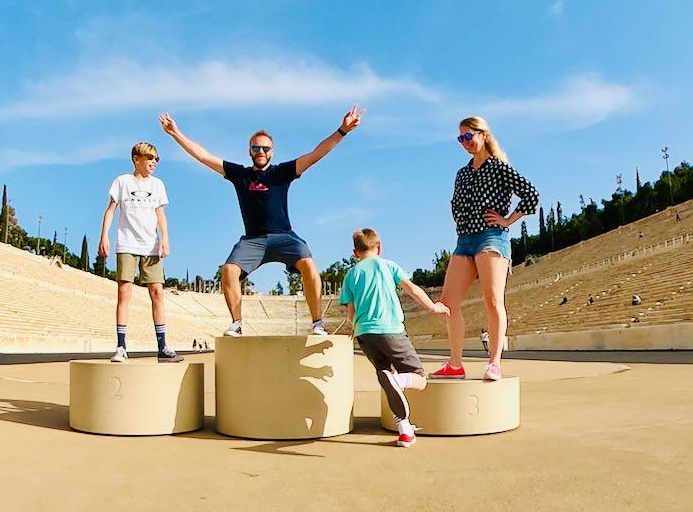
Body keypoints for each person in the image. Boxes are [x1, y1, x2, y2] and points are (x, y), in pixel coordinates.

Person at [159, 105, 365, 337]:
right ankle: (236, 323)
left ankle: (317, 323)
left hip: (284, 236)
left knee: (308, 264)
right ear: (249, 151)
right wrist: (175, 133)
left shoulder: (282, 172)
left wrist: (342, 130)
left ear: (271, 151)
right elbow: (204, 156)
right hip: (253, 240)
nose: (260, 151)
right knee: (229, 270)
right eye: (256, 147)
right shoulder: (240, 174)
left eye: (265, 148)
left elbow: (316, 154)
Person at [432, 116, 539, 381]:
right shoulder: (463, 173)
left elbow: (531, 195)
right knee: (448, 303)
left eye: (468, 136)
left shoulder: (499, 167)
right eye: (461, 138)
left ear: (483, 135)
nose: (465, 142)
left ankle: (494, 363)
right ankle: (455, 363)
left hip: (492, 236)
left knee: (492, 299)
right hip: (464, 240)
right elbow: (455, 205)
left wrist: (507, 220)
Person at [339, 228, 449, 448]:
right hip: (389, 330)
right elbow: (413, 290)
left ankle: (405, 432)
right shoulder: (388, 265)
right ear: (379, 248)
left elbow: (351, 311)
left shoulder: (351, 274)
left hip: (364, 335)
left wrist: (353, 329)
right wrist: (433, 307)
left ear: (355, 252)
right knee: (417, 377)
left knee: (387, 378)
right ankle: (400, 379)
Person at [97, 142, 183, 363]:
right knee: (124, 293)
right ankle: (121, 346)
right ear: (136, 159)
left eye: (156, 159)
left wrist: (165, 239)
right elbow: (110, 210)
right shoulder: (122, 182)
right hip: (127, 244)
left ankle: (163, 346)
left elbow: (160, 214)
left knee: (157, 293)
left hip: (150, 246)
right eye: (150, 158)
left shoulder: (158, 185)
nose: (154, 162)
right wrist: (104, 236)